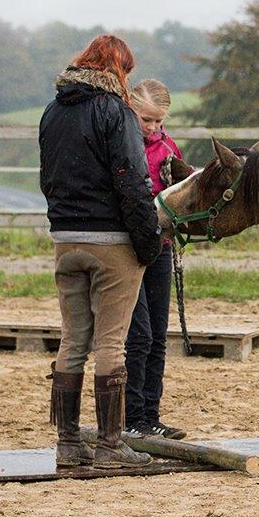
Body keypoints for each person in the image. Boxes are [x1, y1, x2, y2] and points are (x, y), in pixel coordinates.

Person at [39, 35, 162, 469]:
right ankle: (111, 445)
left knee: (72, 340)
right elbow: (132, 183)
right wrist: (148, 244)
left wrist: (62, 224)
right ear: (119, 70)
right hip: (110, 242)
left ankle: (68, 443)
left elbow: (46, 177)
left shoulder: (52, 111)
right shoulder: (116, 112)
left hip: (65, 240)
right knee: (112, 343)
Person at [123, 79, 187, 439]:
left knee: (158, 334)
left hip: (161, 247)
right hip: (130, 249)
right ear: (131, 110)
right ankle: (132, 416)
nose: (152, 127)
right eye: (145, 119)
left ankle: (151, 415)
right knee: (140, 335)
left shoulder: (168, 147)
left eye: (158, 121)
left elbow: (178, 193)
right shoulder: (121, 145)